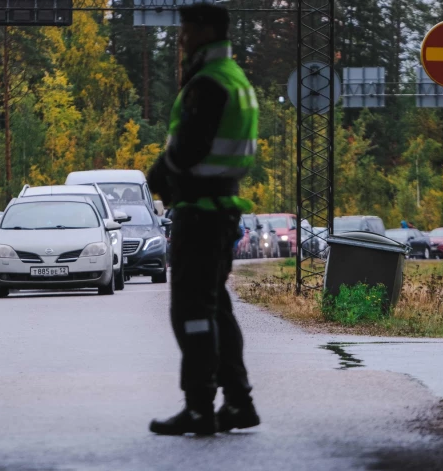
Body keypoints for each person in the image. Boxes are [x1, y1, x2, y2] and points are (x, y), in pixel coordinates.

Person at [147, 3, 260, 436]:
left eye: (186, 30)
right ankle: (239, 402)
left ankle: (199, 408)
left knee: (191, 313)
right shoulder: (235, 78)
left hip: (200, 213)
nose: (180, 38)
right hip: (221, 211)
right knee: (216, 310)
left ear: (207, 31)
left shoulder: (209, 83)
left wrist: (157, 177)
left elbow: (186, 151)